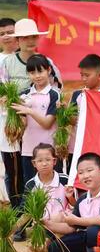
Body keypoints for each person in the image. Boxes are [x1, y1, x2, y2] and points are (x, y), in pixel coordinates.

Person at [21, 143, 76, 252]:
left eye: (47, 160)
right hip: (43, 225)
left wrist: (70, 197)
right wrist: (12, 230)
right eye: (40, 161)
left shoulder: (64, 179)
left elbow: (76, 205)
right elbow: (26, 211)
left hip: (64, 224)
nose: (44, 163)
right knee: (33, 251)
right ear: (34, 164)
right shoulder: (31, 184)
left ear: (54, 161)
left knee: (58, 217)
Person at [11, 55, 61, 186]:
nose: (37, 76)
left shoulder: (54, 94)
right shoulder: (24, 94)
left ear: (49, 70)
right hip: (28, 150)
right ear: (28, 74)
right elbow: (22, 124)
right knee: (31, 187)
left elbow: (47, 124)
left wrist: (30, 111)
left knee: (51, 187)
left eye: (40, 71)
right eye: (32, 73)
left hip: (49, 151)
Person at [67, 54, 100, 173]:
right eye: (81, 75)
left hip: (96, 150)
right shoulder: (77, 95)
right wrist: (64, 112)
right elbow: (71, 121)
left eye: (87, 75)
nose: (83, 79)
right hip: (75, 148)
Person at [3, 18, 62, 91]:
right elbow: (2, 87)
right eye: (25, 37)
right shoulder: (8, 62)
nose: (30, 41)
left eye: (34, 37)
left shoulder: (47, 62)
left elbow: (57, 88)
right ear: (17, 40)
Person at [0, 18, 20, 207]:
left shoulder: (29, 60)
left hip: (30, 123)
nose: (6, 36)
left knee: (29, 165)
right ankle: (17, 210)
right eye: (2, 33)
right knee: (11, 169)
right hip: (6, 124)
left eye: (10, 32)